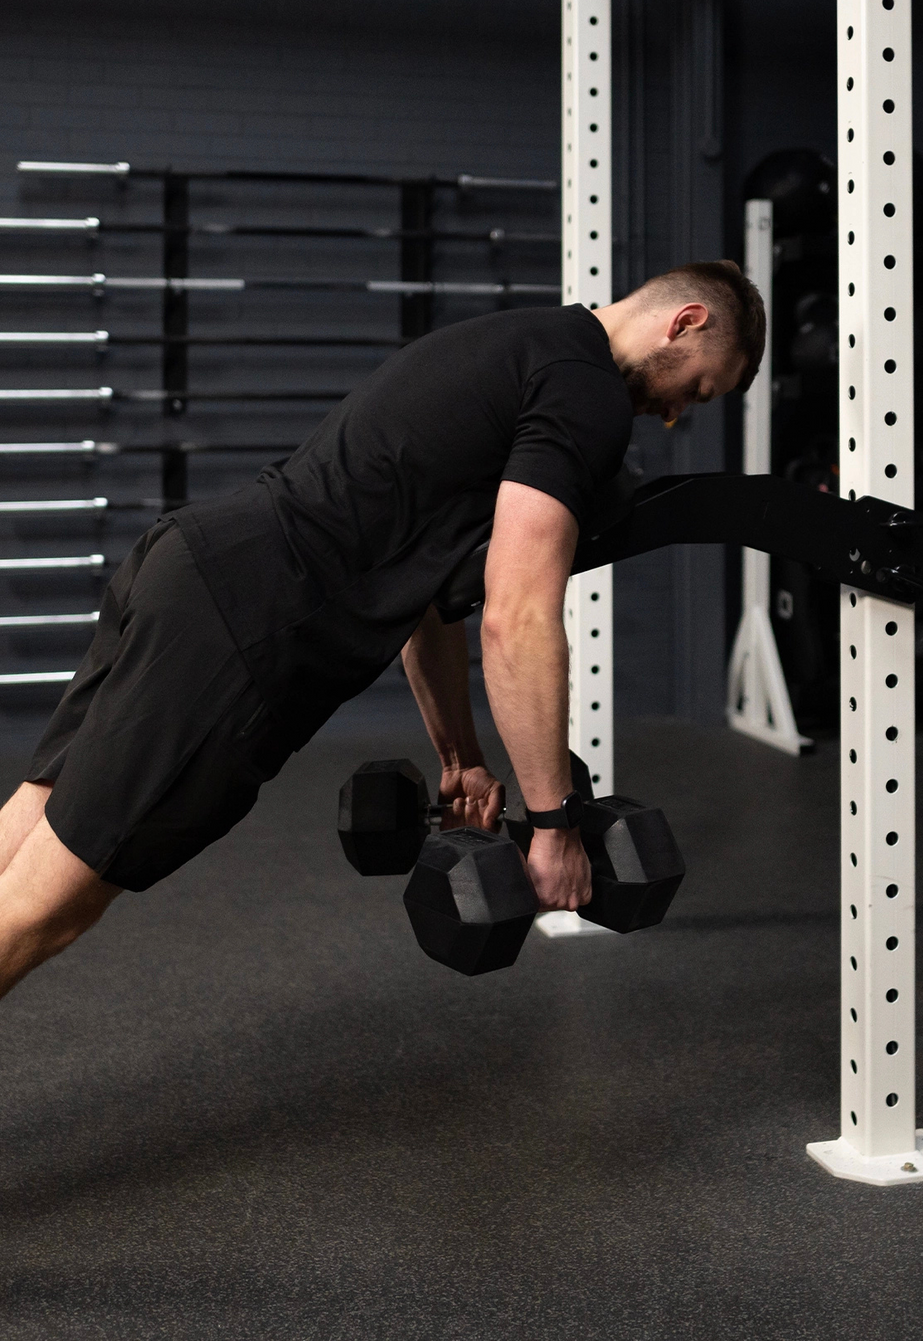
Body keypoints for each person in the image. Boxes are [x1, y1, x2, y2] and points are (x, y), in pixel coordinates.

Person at [0, 260, 764, 999]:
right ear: (684, 322)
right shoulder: (585, 392)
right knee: (49, 907)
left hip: (187, 562)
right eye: (695, 388)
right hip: (242, 631)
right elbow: (517, 617)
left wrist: (461, 757)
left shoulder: (528, 343)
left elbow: (422, 604)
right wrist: (555, 825)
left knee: (36, 820)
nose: (673, 413)